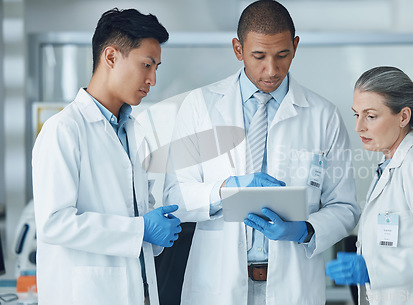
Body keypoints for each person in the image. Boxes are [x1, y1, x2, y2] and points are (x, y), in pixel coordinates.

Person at [162, 1, 360, 304]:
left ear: (295, 46)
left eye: (282, 55)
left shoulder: (323, 116)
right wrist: (227, 190)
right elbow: (174, 196)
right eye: (259, 56)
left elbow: (345, 207)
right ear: (238, 50)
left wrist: (305, 230)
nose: (272, 69)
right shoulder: (200, 107)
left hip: (293, 287)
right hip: (217, 286)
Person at [32, 8, 182, 305]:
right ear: (111, 57)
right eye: (146, 65)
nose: (152, 79)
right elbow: (55, 223)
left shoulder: (134, 132)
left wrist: (154, 229)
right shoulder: (63, 130)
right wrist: (141, 229)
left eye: (157, 68)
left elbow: (135, 212)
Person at [326, 66, 413, 304]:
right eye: (356, 114)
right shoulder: (390, 165)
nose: (359, 127)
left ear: (403, 117)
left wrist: (373, 269)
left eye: (370, 116)